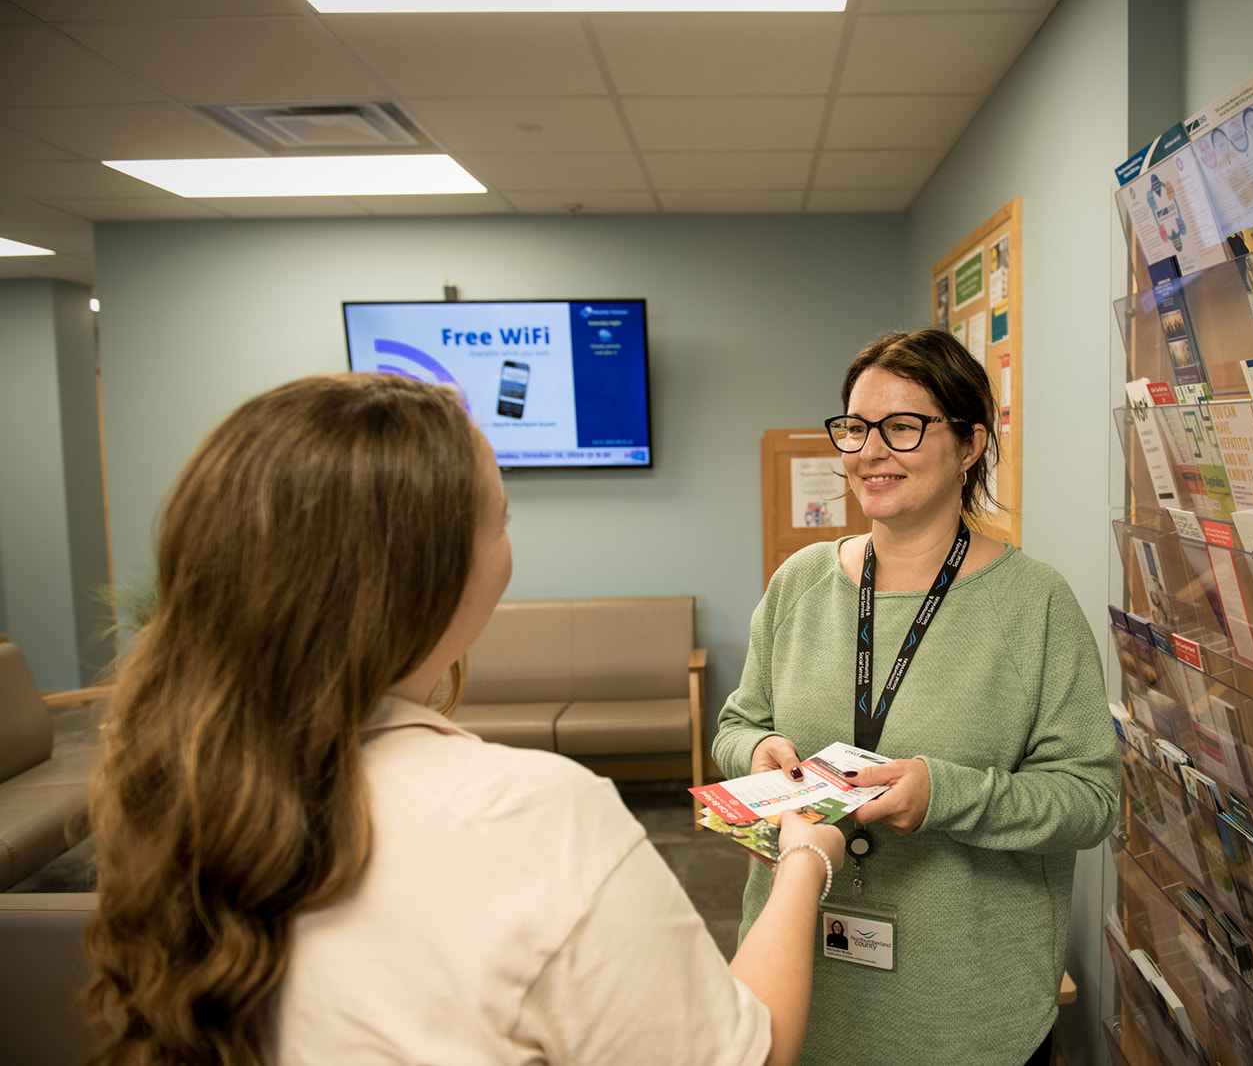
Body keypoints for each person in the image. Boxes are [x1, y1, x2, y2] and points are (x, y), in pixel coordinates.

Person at [83, 374, 844, 1066]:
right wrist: (805, 857)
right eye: (500, 518)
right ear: (431, 570)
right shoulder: (537, 816)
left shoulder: (167, 786)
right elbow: (755, 1052)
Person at [714, 330, 1120, 1066]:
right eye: (855, 427)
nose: (870, 450)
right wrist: (760, 752)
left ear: (969, 444)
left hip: (962, 1013)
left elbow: (1090, 799)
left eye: (903, 426)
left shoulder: (1037, 605)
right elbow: (738, 724)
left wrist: (946, 794)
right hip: (802, 988)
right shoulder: (799, 583)